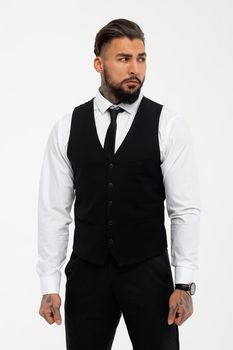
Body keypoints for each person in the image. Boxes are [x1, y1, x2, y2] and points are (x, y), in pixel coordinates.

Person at [36, 18, 201, 350]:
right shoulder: (68, 127)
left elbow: (184, 209)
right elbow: (54, 210)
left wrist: (183, 283)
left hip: (148, 271)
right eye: (123, 59)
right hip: (87, 272)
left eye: (141, 58)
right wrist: (49, 283)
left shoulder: (167, 125)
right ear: (99, 63)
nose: (135, 68)